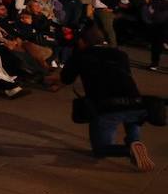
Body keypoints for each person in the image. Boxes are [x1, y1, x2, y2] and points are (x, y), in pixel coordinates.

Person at [61, 26, 158, 170]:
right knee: (132, 120)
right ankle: (135, 143)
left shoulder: (81, 56)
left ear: (82, 41)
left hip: (107, 107)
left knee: (100, 150)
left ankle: (128, 150)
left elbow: (66, 79)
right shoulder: (120, 54)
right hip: (136, 103)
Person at [142, 0, 168, 72]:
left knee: (156, 44)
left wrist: (148, 20)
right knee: (157, 43)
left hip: (157, 22)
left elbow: (147, 8)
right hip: (162, 21)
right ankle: (154, 63)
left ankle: (154, 64)